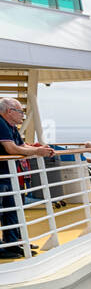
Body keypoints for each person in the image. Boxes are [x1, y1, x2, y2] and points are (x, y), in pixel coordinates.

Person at [0, 97, 54, 259]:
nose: (22, 116)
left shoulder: (10, 126)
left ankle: (13, 242)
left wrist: (41, 149)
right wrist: (37, 152)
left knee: (12, 209)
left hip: (7, 175)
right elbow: (11, 149)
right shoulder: (1, 123)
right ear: (9, 111)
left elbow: (22, 146)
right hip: (2, 175)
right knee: (5, 209)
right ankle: (10, 243)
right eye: (20, 112)